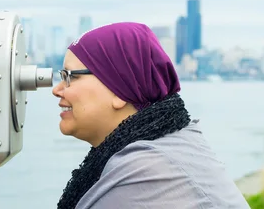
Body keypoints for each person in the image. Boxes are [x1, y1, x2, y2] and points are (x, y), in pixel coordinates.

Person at [52, 22, 249, 209]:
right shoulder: (175, 142)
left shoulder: (145, 173)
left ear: (118, 89)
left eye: (71, 77)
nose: (57, 90)